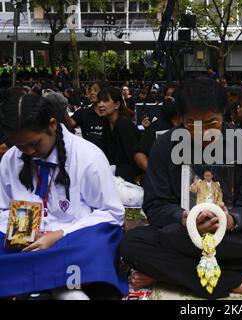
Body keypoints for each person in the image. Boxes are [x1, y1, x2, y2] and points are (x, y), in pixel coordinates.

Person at [120, 78, 242, 300]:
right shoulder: (165, 144)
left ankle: (168, 274)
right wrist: (183, 218)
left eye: (211, 123)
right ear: (180, 118)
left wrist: (232, 219)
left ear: (224, 115)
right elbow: (154, 205)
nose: (203, 133)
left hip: (228, 238)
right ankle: (240, 282)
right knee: (131, 244)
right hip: (181, 237)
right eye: (192, 124)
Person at [0, 93, 127, 299]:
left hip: (71, 238)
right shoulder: (11, 159)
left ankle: (35, 282)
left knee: (100, 243)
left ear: (52, 124)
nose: (29, 151)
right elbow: (3, 207)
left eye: (35, 143)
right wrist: (17, 231)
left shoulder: (88, 156)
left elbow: (111, 212)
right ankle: (64, 283)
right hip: (24, 242)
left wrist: (59, 234)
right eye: (21, 146)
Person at [97, 87, 141, 184]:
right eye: (99, 101)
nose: (100, 104)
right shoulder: (106, 124)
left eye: (105, 101)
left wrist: (113, 170)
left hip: (129, 182)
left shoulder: (124, 125)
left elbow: (135, 161)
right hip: (114, 178)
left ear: (116, 104)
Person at [134, 96, 182, 172]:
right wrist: (154, 172)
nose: (168, 99)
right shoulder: (157, 126)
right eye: (167, 96)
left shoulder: (196, 127)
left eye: (172, 98)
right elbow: (140, 154)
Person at [69, 81, 106, 149]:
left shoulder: (109, 113)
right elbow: (70, 123)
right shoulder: (83, 112)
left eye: (95, 90)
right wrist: (61, 108)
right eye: (90, 91)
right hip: (89, 155)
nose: (92, 93)